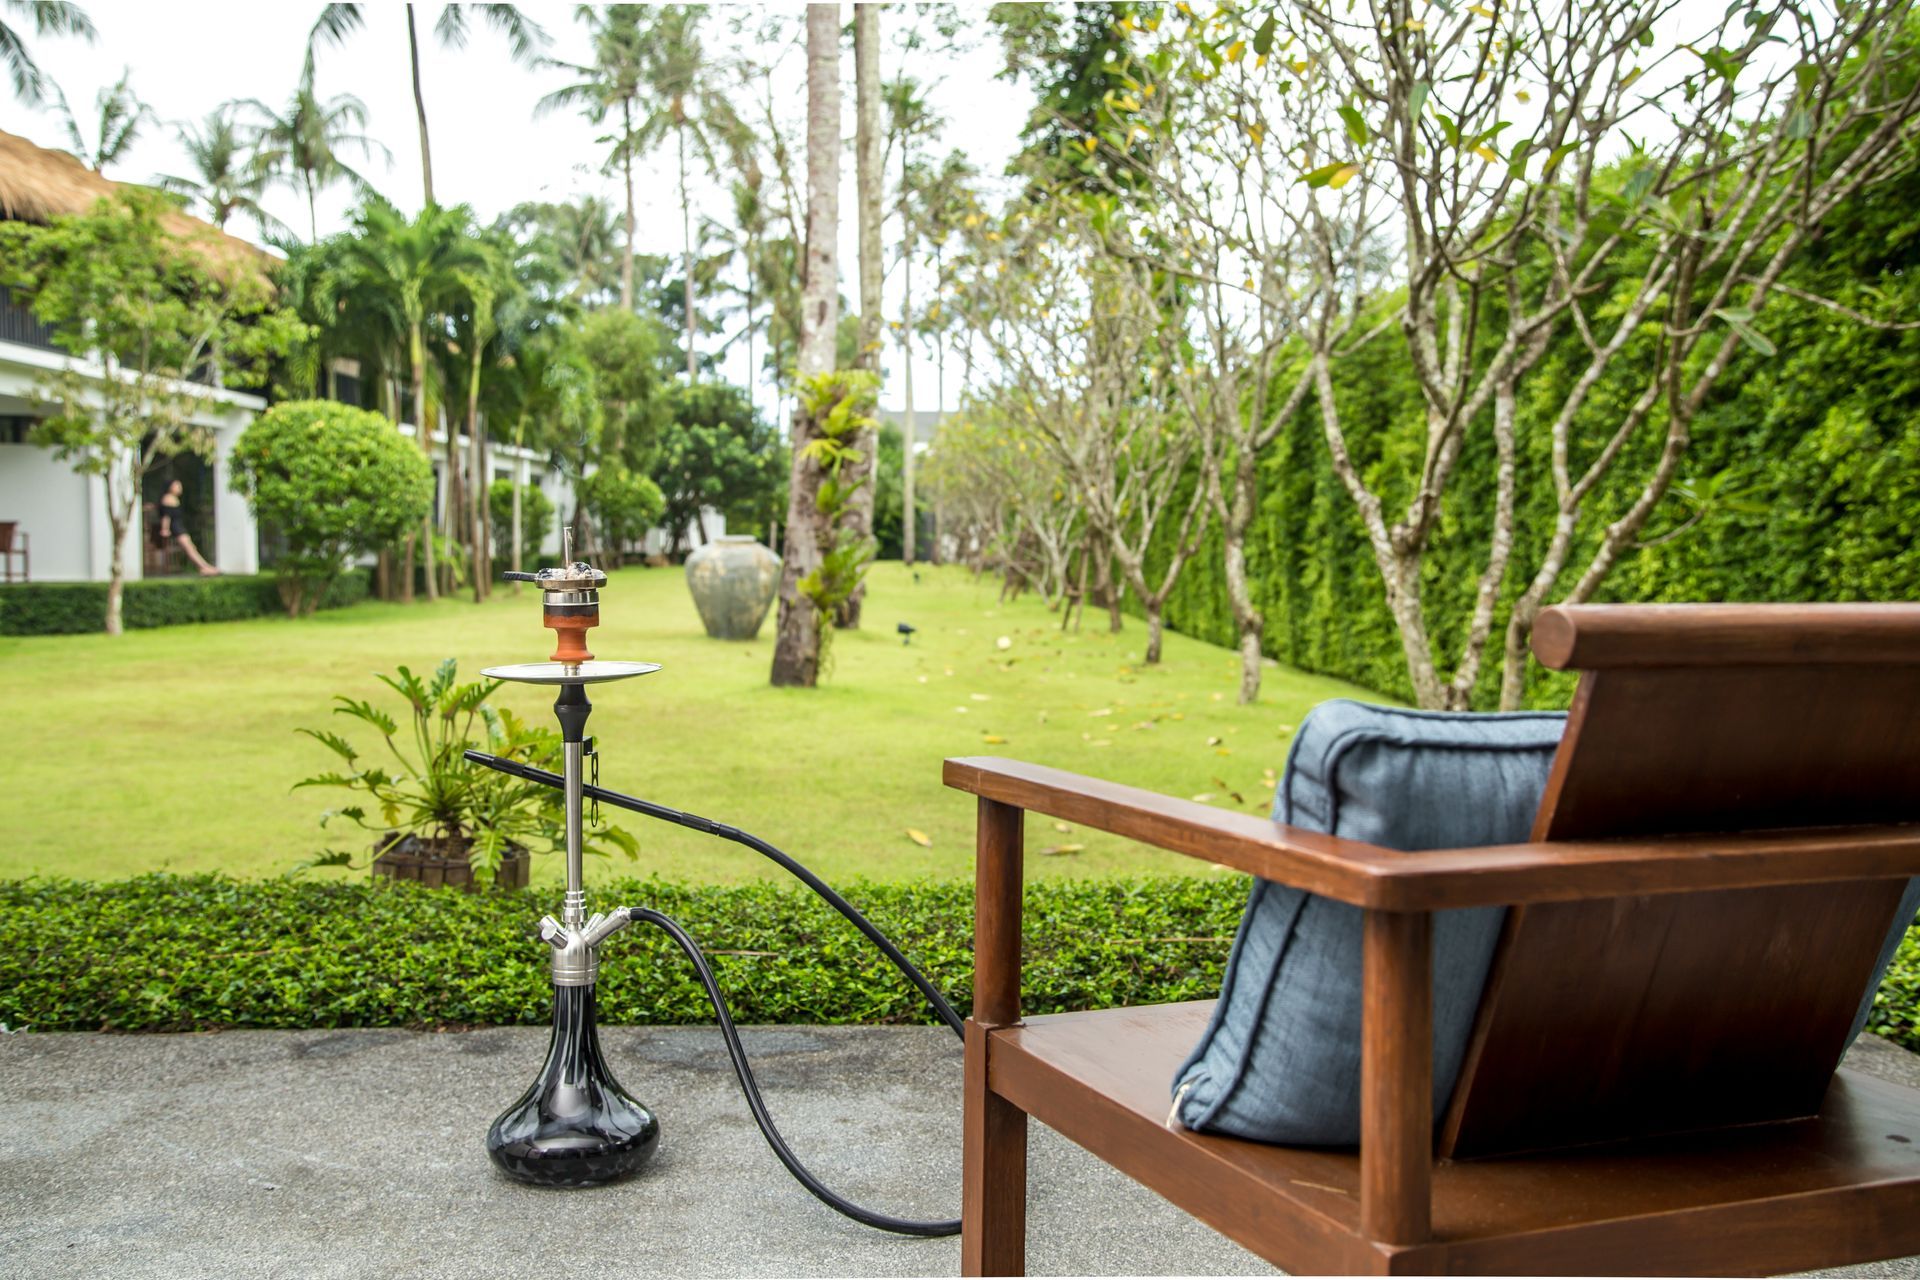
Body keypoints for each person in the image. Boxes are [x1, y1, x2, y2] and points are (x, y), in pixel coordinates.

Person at [155, 479, 219, 576]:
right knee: (189, 548)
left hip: (179, 526)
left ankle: (204, 567)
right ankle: (203, 567)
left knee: (191, 547)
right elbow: (166, 516)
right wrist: (165, 529)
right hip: (176, 528)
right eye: (177, 486)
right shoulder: (168, 499)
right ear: (170, 487)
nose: (180, 488)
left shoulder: (174, 498)